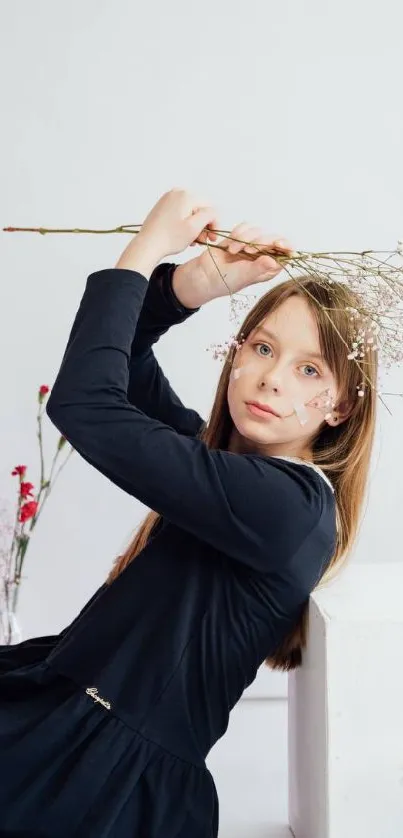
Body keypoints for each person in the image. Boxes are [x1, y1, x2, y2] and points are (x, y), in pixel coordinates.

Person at [0, 189, 378, 837]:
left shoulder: (284, 506)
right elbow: (128, 369)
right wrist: (187, 286)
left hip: (96, 781)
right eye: (261, 348)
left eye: (308, 368)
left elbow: (87, 404)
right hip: (71, 736)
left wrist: (145, 250)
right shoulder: (239, 480)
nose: (271, 378)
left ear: (339, 407)